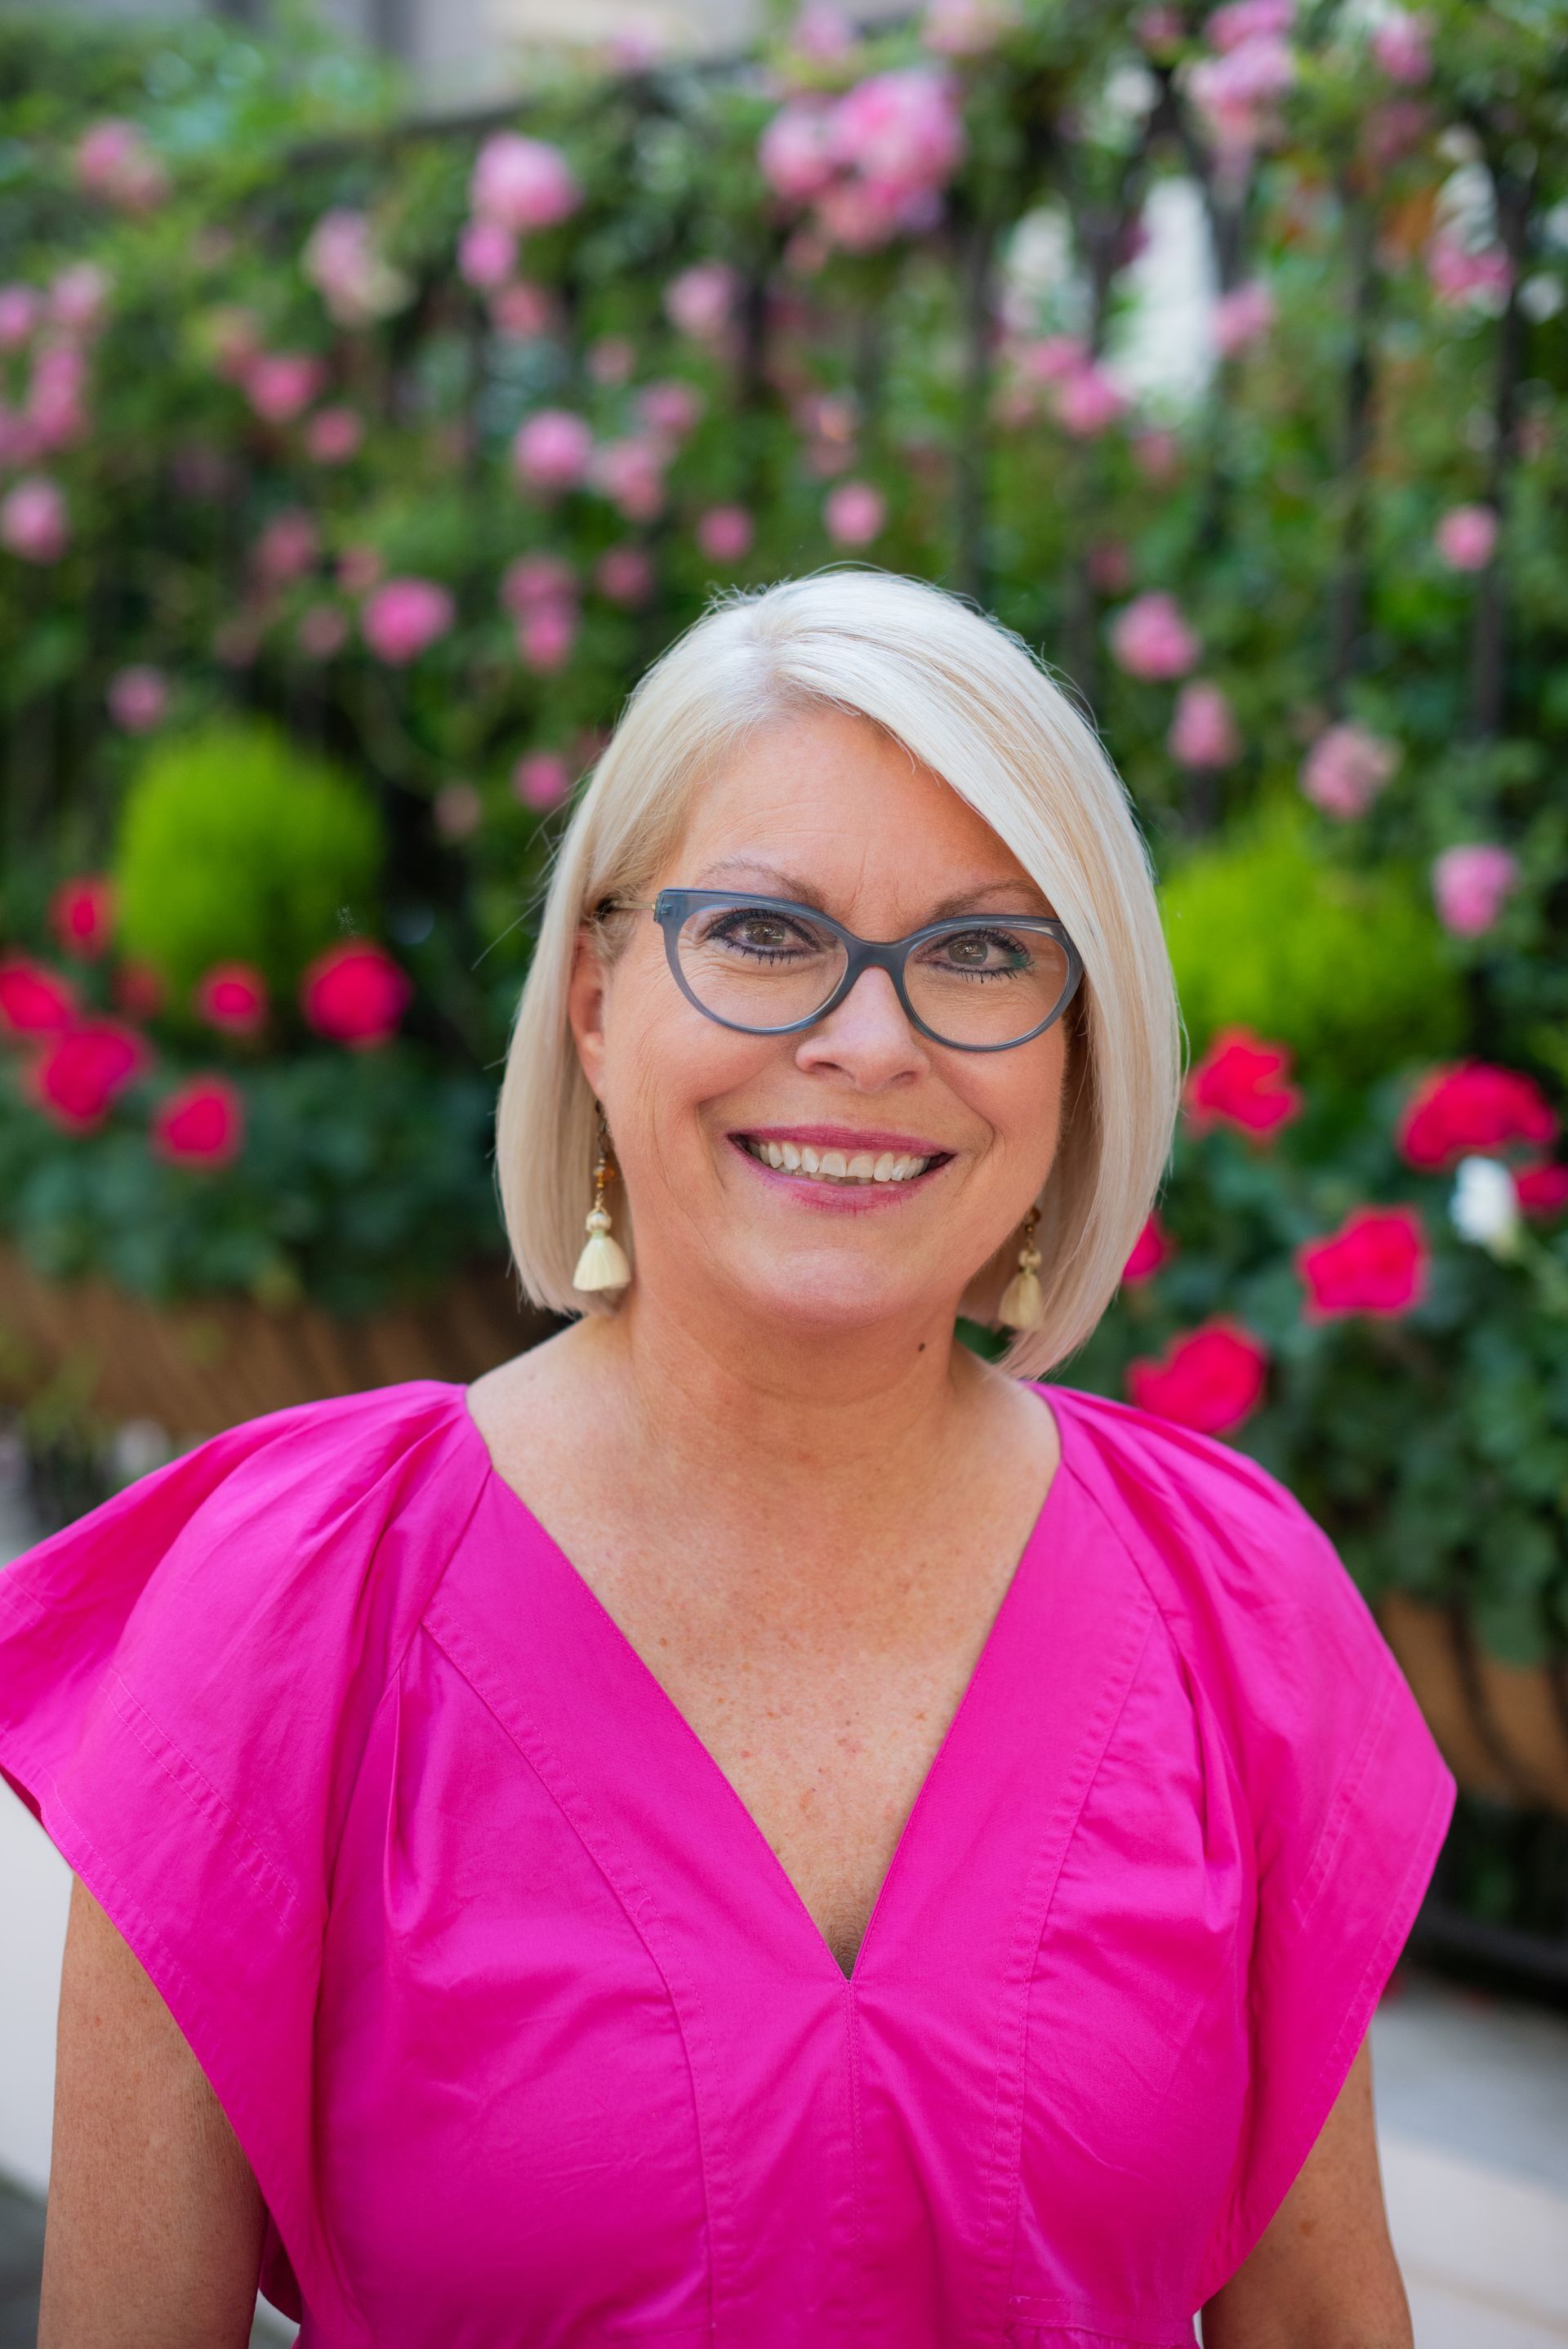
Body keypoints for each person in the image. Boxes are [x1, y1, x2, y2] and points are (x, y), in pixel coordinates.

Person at [0, 570, 1453, 2349]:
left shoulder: (1235, 1612)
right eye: (764, 933)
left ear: (1077, 1056)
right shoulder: (297, 1605)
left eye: (982, 951)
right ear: (599, 1000)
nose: (868, 1038)